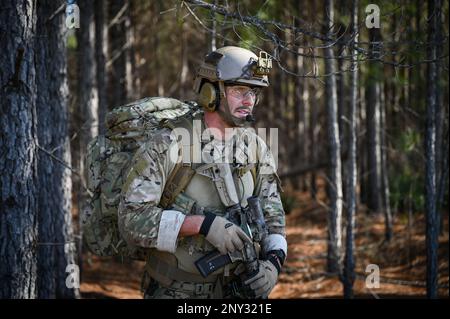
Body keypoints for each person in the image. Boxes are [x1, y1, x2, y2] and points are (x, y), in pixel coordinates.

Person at [118, 46, 287, 299]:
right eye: (239, 90)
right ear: (211, 92)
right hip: (175, 291)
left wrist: (273, 264)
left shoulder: (255, 148)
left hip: (239, 294)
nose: (249, 100)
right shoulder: (168, 144)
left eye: (253, 92)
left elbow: (274, 219)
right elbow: (130, 221)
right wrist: (202, 225)